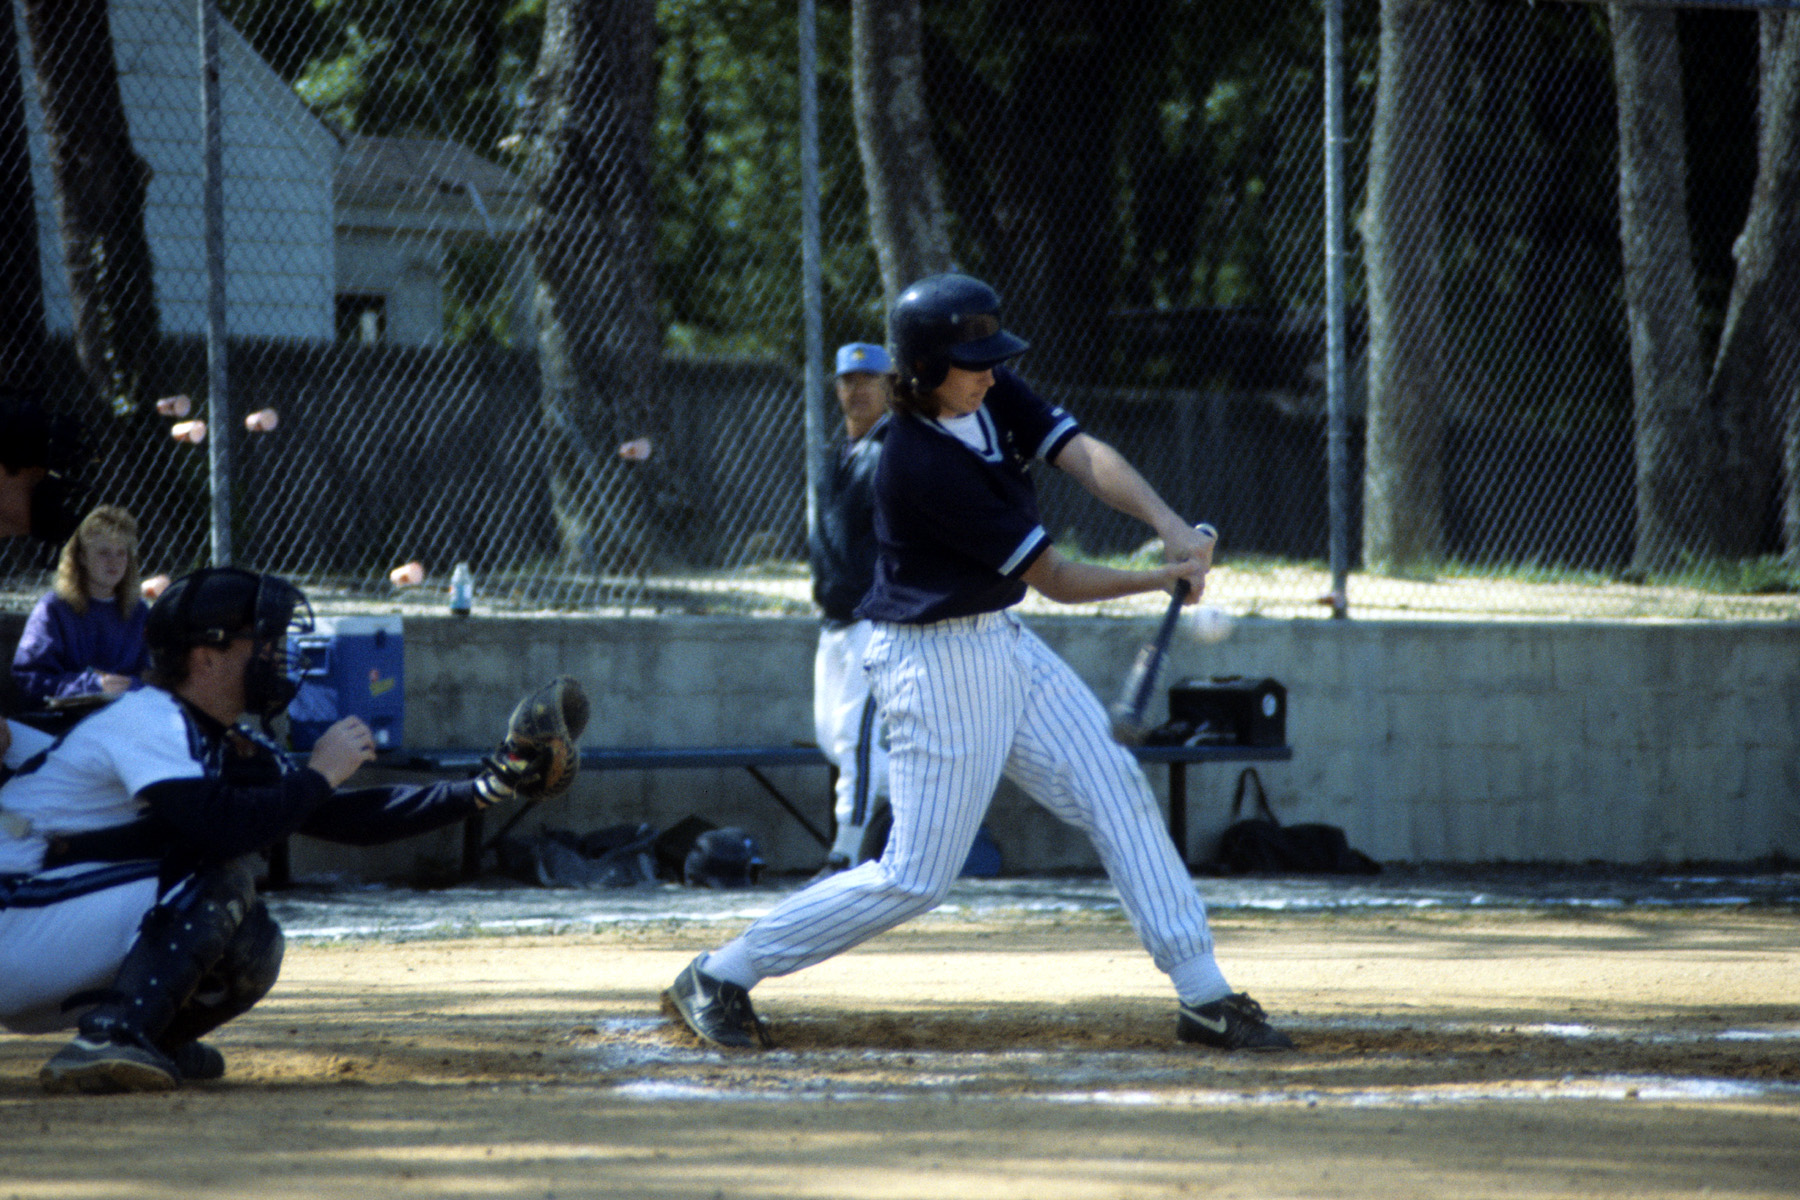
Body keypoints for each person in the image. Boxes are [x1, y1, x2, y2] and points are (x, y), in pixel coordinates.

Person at [663, 273, 1292, 1054]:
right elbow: (1055, 577)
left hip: (1001, 639)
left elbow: (1079, 453)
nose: (992, 374)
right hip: (936, 666)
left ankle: (1204, 994)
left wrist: (1168, 524)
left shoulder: (986, 392)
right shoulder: (915, 461)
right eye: (974, 364)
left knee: (1114, 785)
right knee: (914, 877)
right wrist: (1161, 579)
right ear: (926, 370)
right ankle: (722, 972)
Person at [0, 566, 579, 1093]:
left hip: (51, 924)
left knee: (255, 944)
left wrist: (489, 786)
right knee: (217, 877)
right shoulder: (147, 718)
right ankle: (112, 1035)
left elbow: (346, 817)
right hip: (16, 919)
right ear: (206, 657)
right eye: (264, 642)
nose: (279, 656)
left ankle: (150, 1036)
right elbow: (224, 829)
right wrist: (318, 773)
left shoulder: (216, 734)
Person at [807, 342, 894, 875]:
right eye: (847, 380)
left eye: (868, 379)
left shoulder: (893, 451)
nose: (856, 390)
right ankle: (915, 807)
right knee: (831, 739)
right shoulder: (838, 453)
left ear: (888, 386)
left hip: (874, 619)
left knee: (854, 738)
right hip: (835, 618)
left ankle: (844, 853)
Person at [11, 505, 152, 705]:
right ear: (82, 556)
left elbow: (152, 679)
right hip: (66, 718)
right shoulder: (54, 609)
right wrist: (93, 685)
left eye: (121, 553)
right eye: (104, 552)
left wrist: (129, 686)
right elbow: (30, 678)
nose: (114, 561)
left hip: (126, 714)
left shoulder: (138, 612)